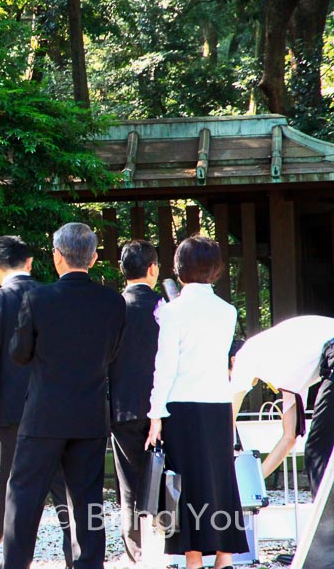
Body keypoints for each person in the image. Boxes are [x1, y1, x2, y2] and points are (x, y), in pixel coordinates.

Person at [2, 222, 126, 569]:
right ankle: (88, 564)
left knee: (24, 496)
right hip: (89, 414)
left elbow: (19, 353)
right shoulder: (113, 302)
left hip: (44, 414)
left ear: (57, 257)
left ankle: (15, 564)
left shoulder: (37, 298)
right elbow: (112, 352)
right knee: (87, 501)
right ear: (94, 257)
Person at [0, 235, 74, 569]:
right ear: (30, 263)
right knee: (64, 490)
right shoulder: (54, 297)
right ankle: (77, 555)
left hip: (7, 411)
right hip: (54, 410)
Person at [145, 235, 248, 569]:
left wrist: (155, 413)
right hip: (218, 403)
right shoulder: (227, 311)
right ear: (215, 270)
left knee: (186, 480)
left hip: (181, 405)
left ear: (179, 269)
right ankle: (225, 555)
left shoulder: (173, 312)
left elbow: (165, 366)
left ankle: (193, 558)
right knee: (220, 477)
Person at [230, 315, 334, 494]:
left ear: (232, 361)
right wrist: (253, 483)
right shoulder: (289, 373)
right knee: (318, 448)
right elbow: (289, 438)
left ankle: (328, 520)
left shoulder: (245, 355)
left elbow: (227, 419)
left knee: (318, 452)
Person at [109, 239, 161, 565]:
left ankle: (137, 553)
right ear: (153, 269)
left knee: (129, 483)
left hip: (123, 406)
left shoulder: (112, 308)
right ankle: (167, 544)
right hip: (166, 407)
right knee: (167, 477)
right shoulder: (167, 308)